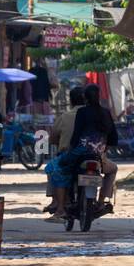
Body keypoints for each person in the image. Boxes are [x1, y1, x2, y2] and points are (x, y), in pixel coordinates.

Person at [43, 85, 86, 215]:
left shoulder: (65, 116)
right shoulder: (95, 114)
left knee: (52, 168)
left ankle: (57, 202)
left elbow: (53, 137)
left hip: (70, 155)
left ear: (71, 101)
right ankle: (101, 201)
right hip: (94, 155)